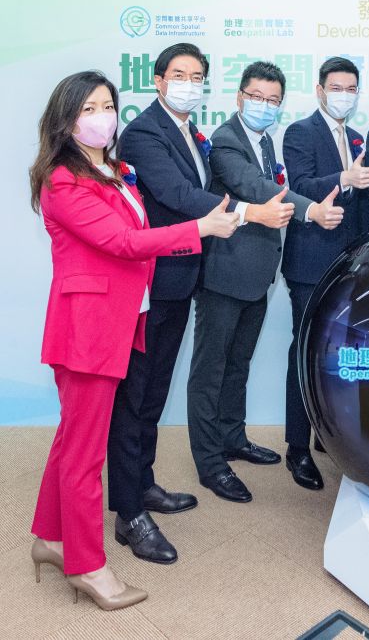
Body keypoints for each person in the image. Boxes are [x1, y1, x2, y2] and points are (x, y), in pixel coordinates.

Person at [28, 70, 239, 610]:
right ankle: (87, 566)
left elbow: (136, 240)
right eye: (88, 109)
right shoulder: (62, 179)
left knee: (72, 439)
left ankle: (50, 539)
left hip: (124, 320)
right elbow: (122, 242)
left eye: (107, 105)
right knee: (84, 452)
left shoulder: (115, 170)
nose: (101, 116)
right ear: (66, 119)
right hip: (88, 331)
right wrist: (200, 229)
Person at [107, 43, 291, 564]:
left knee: (155, 390)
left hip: (182, 275)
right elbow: (179, 195)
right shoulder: (144, 132)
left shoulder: (192, 132)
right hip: (153, 279)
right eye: (178, 75)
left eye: (197, 76)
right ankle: (128, 513)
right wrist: (251, 212)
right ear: (159, 81)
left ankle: (143, 486)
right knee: (135, 396)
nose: (188, 83)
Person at [187, 61, 344, 503]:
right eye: (256, 97)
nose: (264, 106)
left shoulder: (266, 139)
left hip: (256, 274)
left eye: (273, 100)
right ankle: (209, 462)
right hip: (225, 272)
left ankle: (232, 437)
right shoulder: (225, 141)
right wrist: (311, 209)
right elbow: (255, 188)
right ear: (239, 98)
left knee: (238, 363)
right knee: (210, 369)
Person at [281, 56, 369, 490]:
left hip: (349, 263)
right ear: (319, 90)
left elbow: (360, 205)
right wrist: (344, 176)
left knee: (339, 352)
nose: (343, 95)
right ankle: (296, 448)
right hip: (309, 261)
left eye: (351, 89)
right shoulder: (300, 132)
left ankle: (325, 433)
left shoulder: (357, 137)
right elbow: (298, 184)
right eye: (336, 87)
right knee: (306, 349)